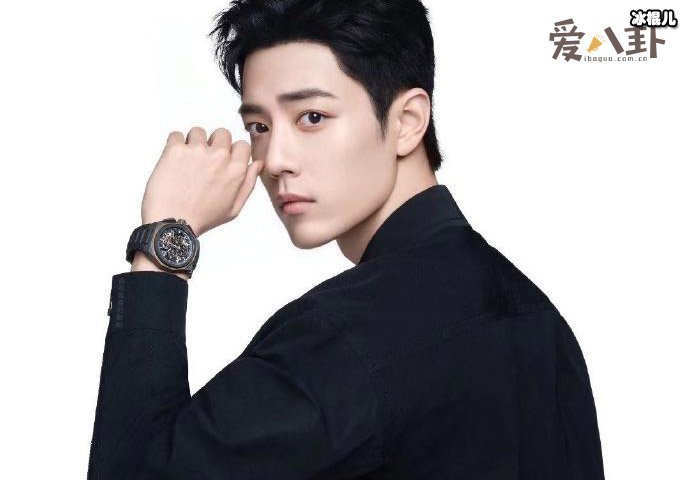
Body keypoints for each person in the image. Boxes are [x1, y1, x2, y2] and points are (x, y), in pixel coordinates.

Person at [87, 1, 606, 478]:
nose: (276, 159)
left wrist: (164, 245)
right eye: (259, 126)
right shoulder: (539, 318)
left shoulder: (340, 338)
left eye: (312, 117)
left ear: (407, 122)